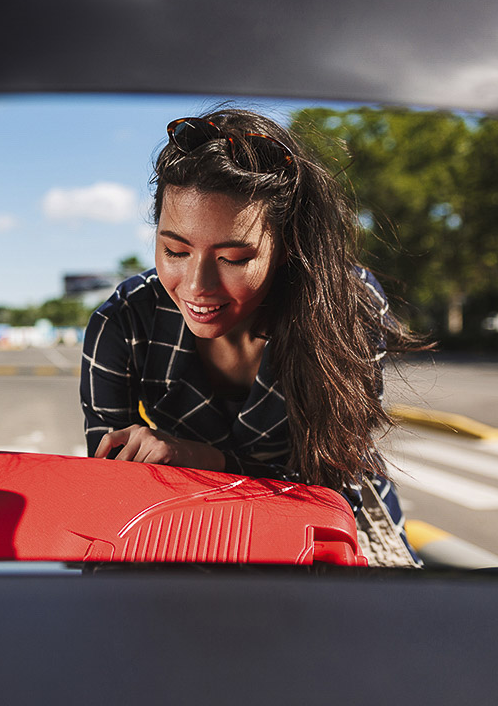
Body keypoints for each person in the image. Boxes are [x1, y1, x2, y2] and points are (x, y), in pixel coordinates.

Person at [80, 109, 425, 566]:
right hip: (187, 534)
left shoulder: (349, 307)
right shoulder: (123, 321)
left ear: (287, 247)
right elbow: (110, 498)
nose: (198, 285)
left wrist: (203, 458)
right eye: (174, 251)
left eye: (234, 258)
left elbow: (334, 482)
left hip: (328, 529)